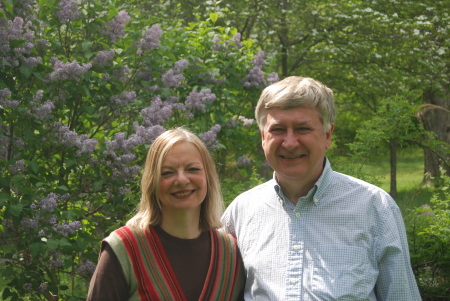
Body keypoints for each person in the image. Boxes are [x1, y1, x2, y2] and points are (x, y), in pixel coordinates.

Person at [221, 76, 421, 300]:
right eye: (277, 130)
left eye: (302, 129)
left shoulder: (374, 208)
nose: (289, 142)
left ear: (328, 135)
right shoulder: (241, 211)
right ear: (262, 137)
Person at [87, 128, 245, 301]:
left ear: (208, 177)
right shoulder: (124, 248)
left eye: (192, 169)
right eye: (167, 172)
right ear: (152, 181)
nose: (182, 180)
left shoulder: (231, 255)